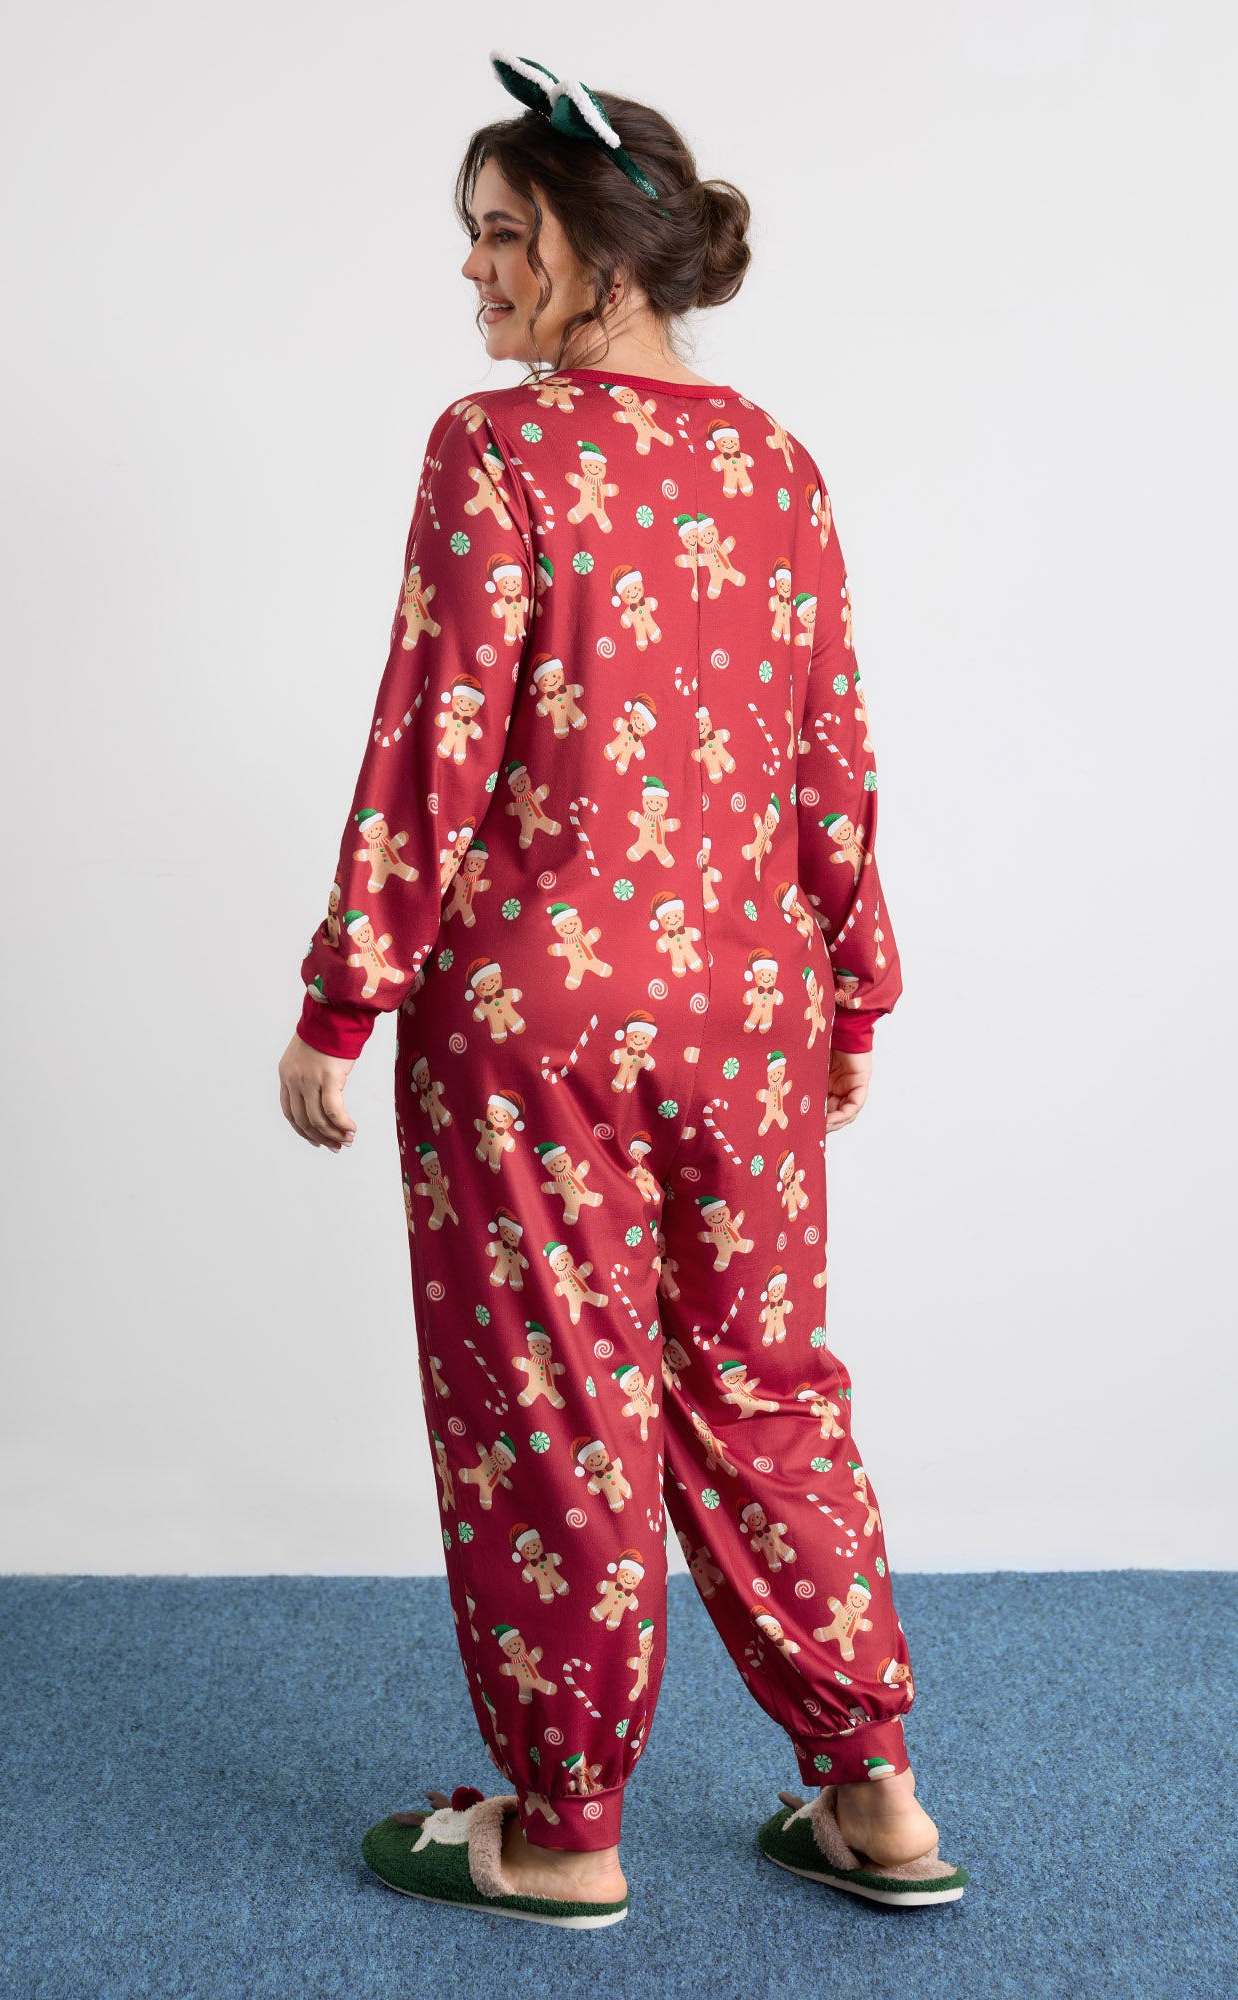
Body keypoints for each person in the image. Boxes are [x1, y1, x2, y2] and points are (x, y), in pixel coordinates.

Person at [278, 51, 967, 1927]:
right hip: (749, 1015)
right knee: (763, 1387)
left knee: (557, 1407)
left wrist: (347, 994)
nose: (476, 272)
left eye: (504, 235)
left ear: (594, 250)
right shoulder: (775, 464)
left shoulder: (496, 449)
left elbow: (435, 737)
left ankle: (565, 1831)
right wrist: (853, 993)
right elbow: (831, 756)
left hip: (539, 1030)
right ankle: (877, 1798)